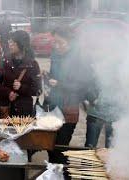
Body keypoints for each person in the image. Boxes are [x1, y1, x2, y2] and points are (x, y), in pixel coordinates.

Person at [45, 27, 91, 163]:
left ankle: (62, 174)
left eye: (60, 43)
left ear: (70, 42)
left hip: (68, 109)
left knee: (60, 148)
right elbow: (53, 76)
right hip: (54, 107)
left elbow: (81, 87)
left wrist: (59, 84)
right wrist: (47, 78)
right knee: (50, 146)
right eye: (55, 42)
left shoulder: (79, 59)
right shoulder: (55, 55)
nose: (57, 46)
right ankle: (52, 174)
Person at [0, 30, 41, 118]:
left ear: (22, 44)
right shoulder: (5, 61)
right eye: (9, 42)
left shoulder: (32, 64)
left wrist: (21, 87)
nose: (10, 45)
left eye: (13, 43)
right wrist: (8, 93)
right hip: (6, 108)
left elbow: (37, 90)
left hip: (24, 111)